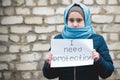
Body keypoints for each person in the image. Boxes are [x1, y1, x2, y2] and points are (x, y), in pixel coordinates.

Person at [42, 2, 114, 80]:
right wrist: (48, 64)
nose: (75, 24)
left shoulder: (97, 40)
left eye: (79, 20)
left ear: (86, 21)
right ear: (66, 21)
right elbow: (49, 75)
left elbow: (107, 72)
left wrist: (99, 60)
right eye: (71, 20)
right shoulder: (58, 40)